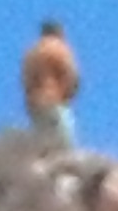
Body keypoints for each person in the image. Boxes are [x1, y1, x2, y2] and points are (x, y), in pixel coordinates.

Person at [21, 19, 81, 150]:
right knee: (65, 143)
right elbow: (71, 74)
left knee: (41, 142)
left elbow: (25, 81)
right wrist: (70, 93)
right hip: (55, 100)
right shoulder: (59, 48)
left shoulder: (31, 53)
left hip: (35, 104)